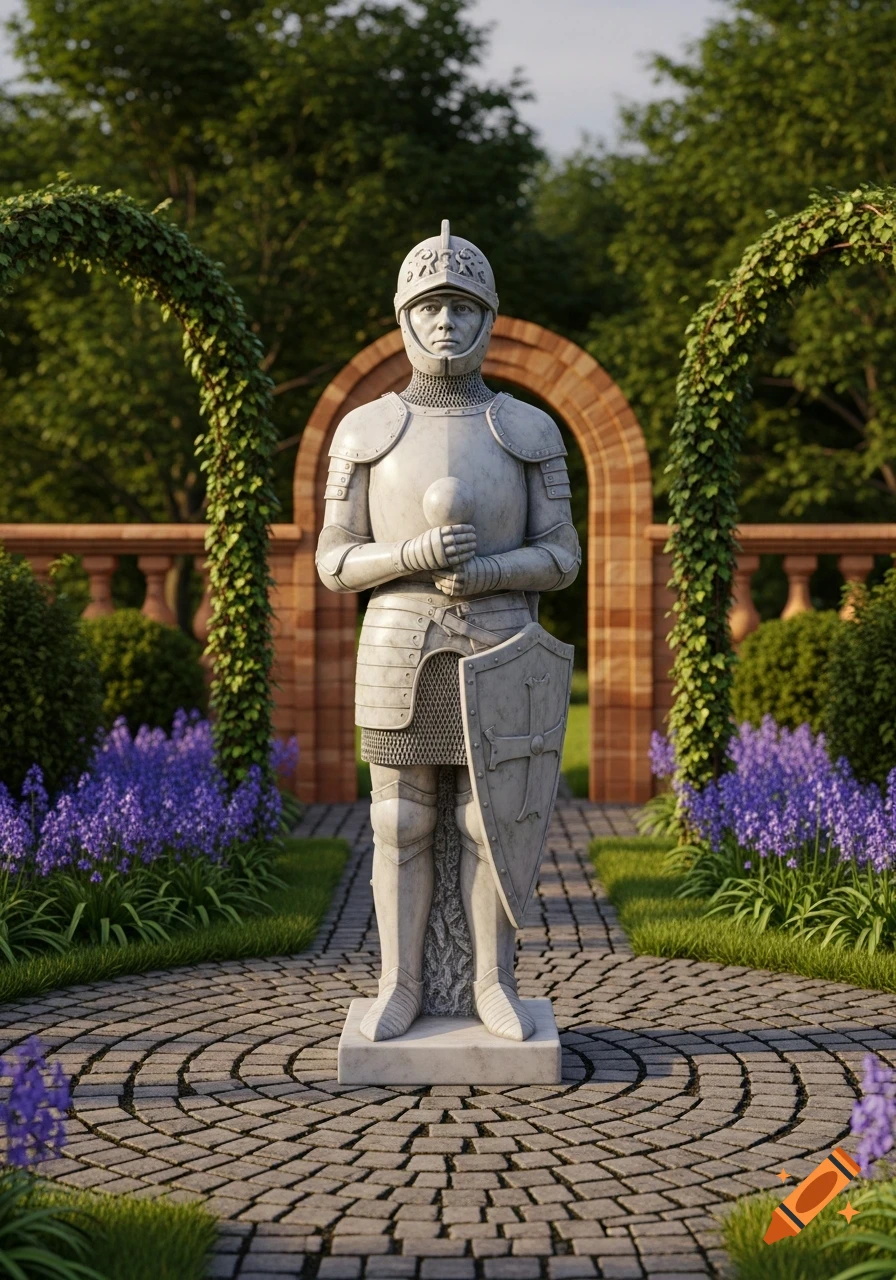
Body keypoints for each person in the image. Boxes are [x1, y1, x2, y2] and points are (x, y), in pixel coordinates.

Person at [316, 221, 580, 1043]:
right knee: (399, 821)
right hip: (400, 645)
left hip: (500, 644)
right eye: (429, 307)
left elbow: (563, 557)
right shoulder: (366, 428)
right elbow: (333, 559)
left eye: (462, 307)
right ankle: (399, 984)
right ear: (404, 318)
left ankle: (491, 983)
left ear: (487, 318)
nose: (445, 323)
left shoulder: (526, 428)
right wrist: (411, 552)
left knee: (487, 817)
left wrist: (494, 571)